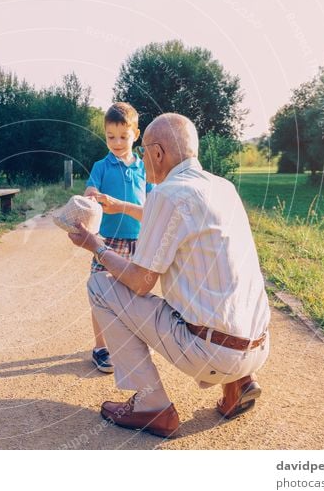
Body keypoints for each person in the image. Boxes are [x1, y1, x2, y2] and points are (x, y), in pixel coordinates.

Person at [68, 113, 270, 438]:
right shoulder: (223, 188)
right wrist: (122, 205)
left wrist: (95, 245)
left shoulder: (167, 193)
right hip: (258, 349)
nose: (143, 159)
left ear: (157, 153)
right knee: (220, 286)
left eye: (145, 151)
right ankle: (238, 385)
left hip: (212, 354)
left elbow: (140, 281)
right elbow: (172, 216)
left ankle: (152, 406)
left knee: (100, 286)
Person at [83, 102, 152, 373]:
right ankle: (101, 347)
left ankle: (131, 343)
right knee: (100, 291)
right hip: (107, 241)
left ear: (136, 134)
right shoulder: (102, 165)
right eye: (111, 137)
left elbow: (152, 203)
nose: (117, 142)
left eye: (123, 136)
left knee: (135, 293)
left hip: (138, 241)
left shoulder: (144, 168)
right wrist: (90, 194)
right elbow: (91, 186)